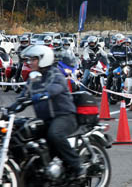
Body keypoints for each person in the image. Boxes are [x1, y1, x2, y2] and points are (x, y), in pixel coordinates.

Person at [18, 45, 86, 179]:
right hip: (47, 119)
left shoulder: (55, 74)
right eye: (29, 60)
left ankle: (78, 166)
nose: (30, 62)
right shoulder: (33, 77)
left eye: (34, 59)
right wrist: (11, 108)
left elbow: (56, 87)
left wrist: (45, 94)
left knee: (55, 134)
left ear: (43, 59)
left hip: (65, 116)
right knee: (26, 136)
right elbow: (23, 95)